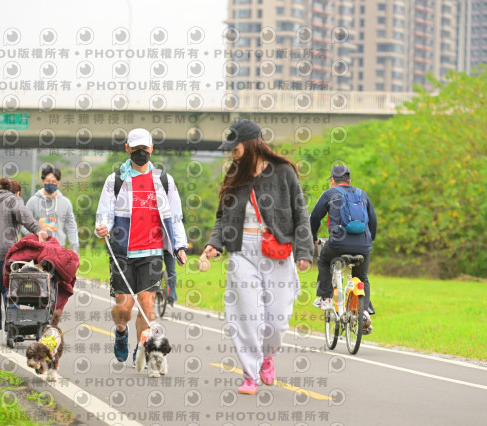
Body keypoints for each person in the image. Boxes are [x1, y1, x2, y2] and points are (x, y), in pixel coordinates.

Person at [202, 119, 313, 395]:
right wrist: (214, 244)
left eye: (235, 147)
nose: (232, 153)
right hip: (242, 250)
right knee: (247, 315)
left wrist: (304, 251)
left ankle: (268, 355)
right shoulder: (234, 175)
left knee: (277, 320)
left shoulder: (283, 172)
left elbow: (300, 213)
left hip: (276, 249)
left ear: (251, 144)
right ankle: (250, 375)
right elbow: (222, 217)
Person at [95, 128, 188, 366]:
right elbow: (104, 213)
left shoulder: (164, 181)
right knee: (124, 308)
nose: (141, 153)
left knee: (147, 305)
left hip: (152, 252)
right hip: (122, 252)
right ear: (127, 148)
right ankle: (121, 331)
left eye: (144, 148)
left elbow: (175, 217)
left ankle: (142, 349)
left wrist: (179, 246)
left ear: (151, 148)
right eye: (136, 149)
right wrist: (102, 227)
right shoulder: (115, 180)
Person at [0, 178, 47, 344]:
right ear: (17, 192)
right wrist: (38, 231)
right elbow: (23, 215)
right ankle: (14, 329)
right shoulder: (13, 200)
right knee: (11, 293)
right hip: (2, 254)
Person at [309, 165, 377, 333]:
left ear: (332, 180)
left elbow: (314, 218)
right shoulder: (362, 194)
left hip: (338, 244)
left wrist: (314, 237)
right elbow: (373, 220)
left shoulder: (329, 194)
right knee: (362, 277)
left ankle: (325, 298)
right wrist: (370, 241)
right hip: (363, 245)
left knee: (323, 260)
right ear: (349, 181)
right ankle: (364, 312)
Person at [25, 166, 79, 253]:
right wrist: (35, 234)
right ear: (42, 181)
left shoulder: (66, 202)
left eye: (53, 182)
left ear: (58, 183)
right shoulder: (32, 201)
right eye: (48, 181)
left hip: (59, 248)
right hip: (38, 249)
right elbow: (23, 224)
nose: (51, 184)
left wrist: (75, 247)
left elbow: (71, 227)